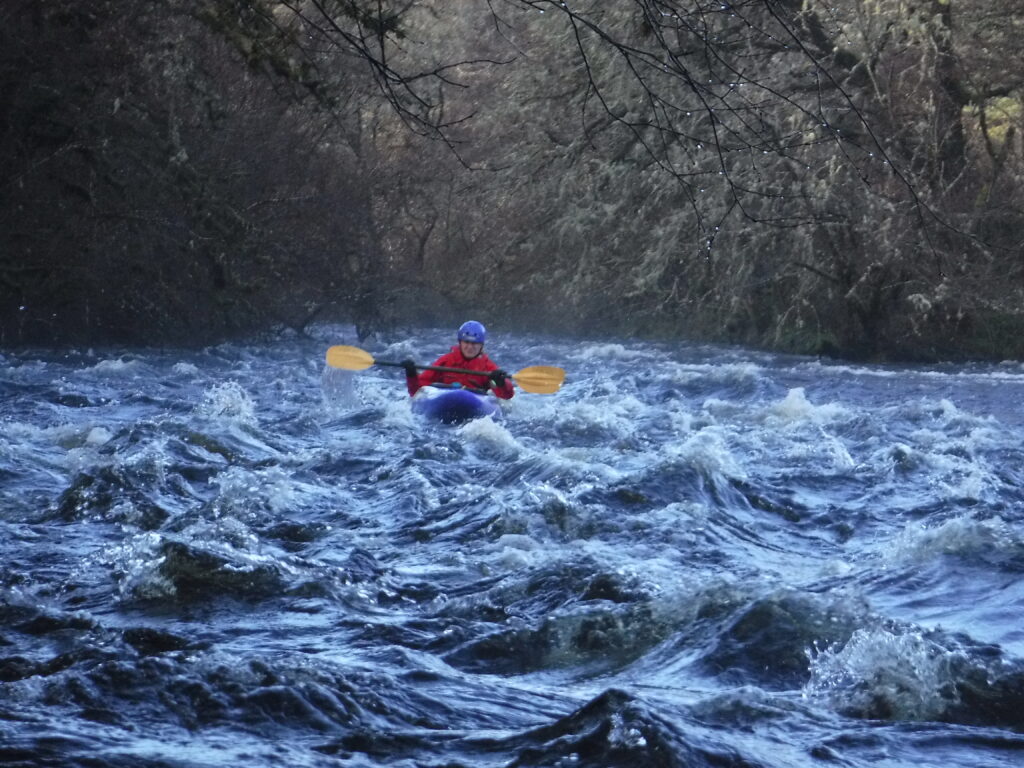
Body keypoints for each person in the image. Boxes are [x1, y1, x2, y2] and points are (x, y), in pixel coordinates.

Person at [400, 321, 515, 399]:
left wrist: (501, 383)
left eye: (475, 343)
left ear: (481, 345)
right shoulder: (445, 361)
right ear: (460, 342)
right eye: (467, 342)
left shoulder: (488, 367)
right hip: (445, 400)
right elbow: (416, 391)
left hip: (474, 404)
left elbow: (506, 396)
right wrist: (411, 374)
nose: (470, 347)